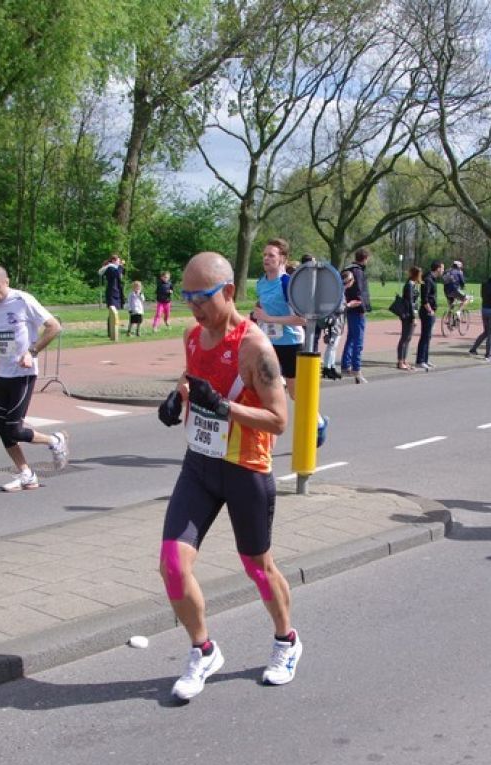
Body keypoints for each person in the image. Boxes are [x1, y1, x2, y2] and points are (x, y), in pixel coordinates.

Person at [155, 251, 300, 701]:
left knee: (258, 567)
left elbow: (279, 420)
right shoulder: (192, 336)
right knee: (172, 565)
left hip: (245, 468)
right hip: (200, 465)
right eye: (187, 297)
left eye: (202, 297)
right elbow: (191, 378)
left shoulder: (255, 348)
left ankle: (286, 641)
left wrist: (224, 407)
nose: (194, 307)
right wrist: (176, 398)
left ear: (230, 291)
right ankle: (203, 650)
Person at [0, 266, 69, 492]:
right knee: (1, 427)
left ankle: (55, 441)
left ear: (7, 282)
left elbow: (54, 327)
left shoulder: (23, 300)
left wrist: (32, 352)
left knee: (14, 429)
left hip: (23, 373)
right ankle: (26, 474)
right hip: (3, 372)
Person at [252, 238, 325, 446]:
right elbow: (262, 307)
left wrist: (269, 318)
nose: (266, 259)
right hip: (269, 343)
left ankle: (319, 422)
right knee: (266, 391)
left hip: (291, 343)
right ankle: (265, 441)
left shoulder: (288, 284)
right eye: (265, 255)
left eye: (271, 255)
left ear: (282, 258)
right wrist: (257, 316)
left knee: (295, 393)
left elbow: (302, 319)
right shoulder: (261, 282)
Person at [340, 248, 371, 383]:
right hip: (357, 308)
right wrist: (363, 308)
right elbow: (360, 291)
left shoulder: (348, 269)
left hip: (349, 306)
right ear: (365, 259)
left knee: (351, 337)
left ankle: (345, 365)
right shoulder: (358, 272)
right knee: (358, 340)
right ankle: (356, 369)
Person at [392, 265, 421, 370]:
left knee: (408, 338)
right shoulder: (409, 285)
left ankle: (404, 360)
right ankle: (400, 361)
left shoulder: (413, 285)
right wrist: (413, 317)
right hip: (408, 315)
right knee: (404, 338)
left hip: (412, 314)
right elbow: (409, 303)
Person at [416, 261, 442, 370]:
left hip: (431, 311)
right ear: (438, 268)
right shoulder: (428, 280)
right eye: (442, 268)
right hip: (427, 312)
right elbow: (425, 298)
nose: (443, 270)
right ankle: (420, 360)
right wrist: (430, 310)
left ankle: (425, 359)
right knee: (425, 336)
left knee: (428, 336)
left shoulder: (432, 279)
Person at [98, 253, 125, 341]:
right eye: (118, 261)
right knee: (112, 313)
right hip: (112, 293)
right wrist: (121, 266)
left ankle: (114, 330)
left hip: (116, 292)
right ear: (113, 261)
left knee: (115, 312)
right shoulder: (110, 268)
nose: (119, 262)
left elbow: (120, 275)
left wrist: (120, 267)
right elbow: (117, 274)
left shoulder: (115, 268)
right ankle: (111, 332)